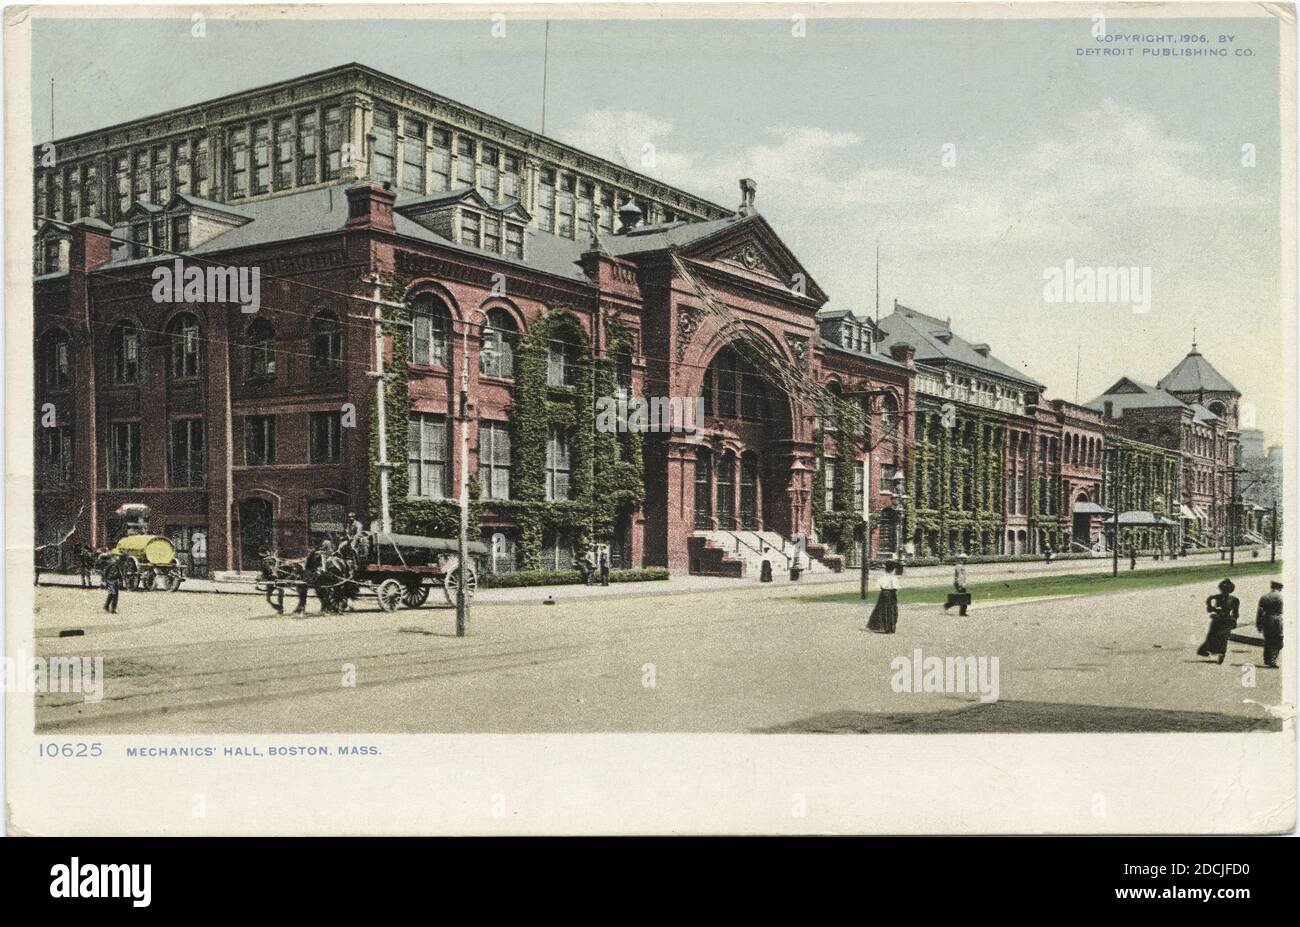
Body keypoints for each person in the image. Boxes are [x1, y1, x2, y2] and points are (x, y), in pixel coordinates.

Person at [1197, 578, 1240, 665]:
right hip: (1221, 619)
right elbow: (1209, 608)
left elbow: (1235, 613)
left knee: (1222, 637)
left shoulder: (1232, 599)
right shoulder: (1220, 598)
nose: (1225, 591)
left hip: (1223, 620)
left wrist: (1213, 608)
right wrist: (1214, 609)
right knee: (1214, 636)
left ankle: (1220, 653)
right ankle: (1210, 651)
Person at [296, 541, 330, 615]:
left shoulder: (319, 554)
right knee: (302, 591)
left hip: (312, 573)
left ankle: (303, 609)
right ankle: (302, 608)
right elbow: (304, 564)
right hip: (307, 573)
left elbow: (323, 565)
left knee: (315, 591)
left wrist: (322, 570)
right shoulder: (311, 554)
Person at [865, 560, 900, 633]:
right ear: (893, 569)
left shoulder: (883, 578)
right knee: (892, 610)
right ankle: (892, 627)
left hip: (884, 593)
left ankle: (886, 627)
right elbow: (897, 587)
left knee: (884, 610)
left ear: (885, 569)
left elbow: (877, 586)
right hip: (892, 594)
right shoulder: (894, 578)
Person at [1256, 580, 1284, 669]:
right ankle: (1273, 660)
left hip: (1267, 619)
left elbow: (1260, 612)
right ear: (1279, 588)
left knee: (1268, 639)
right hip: (1278, 620)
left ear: (1272, 587)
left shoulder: (1264, 597)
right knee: (1278, 639)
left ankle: (1267, 659)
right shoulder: (1282, 597)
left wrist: (1259, 624)